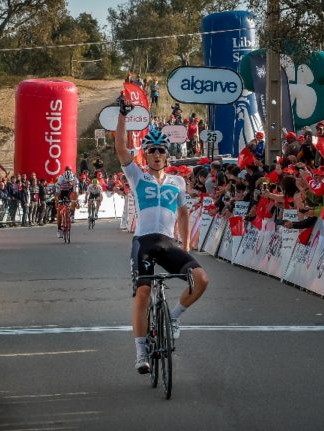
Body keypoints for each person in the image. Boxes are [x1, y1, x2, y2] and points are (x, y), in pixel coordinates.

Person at [115, 108, 209, 375]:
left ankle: (173, 316)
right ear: (146, 154)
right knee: (143, 292)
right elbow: (121, 147)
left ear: (167, 154)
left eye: (161, 150)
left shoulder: (178, 181)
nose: (157, 154)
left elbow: (182, 212)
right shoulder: (137, 177)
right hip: (143, 242)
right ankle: (141, 350)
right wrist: (122, 117)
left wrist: (187, 244)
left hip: (168, 243)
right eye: (152, 150)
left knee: (201, 279)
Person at [55, 166, 78, 238]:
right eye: (67, 182)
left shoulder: (75, 180)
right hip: (62, 192)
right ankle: (59, 229)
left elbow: (76, 193)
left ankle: (71, 214)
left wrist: (76, 201)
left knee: (73, 200)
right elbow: (57, 194)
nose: (68, 183)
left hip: (70, 191)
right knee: (59, 211)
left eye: (70, 181)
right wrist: (57, 201)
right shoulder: (60, 179)